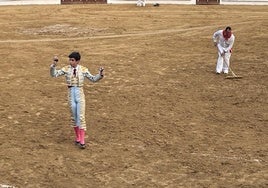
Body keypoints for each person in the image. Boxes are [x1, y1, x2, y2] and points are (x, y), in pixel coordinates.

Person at [50, 52, 104, 149]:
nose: (70, 62)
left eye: (72, 60)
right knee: (74, 117)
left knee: (81, 117)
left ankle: (82, 140)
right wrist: (54, 65)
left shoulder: (83, 69)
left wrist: (100, 75)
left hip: (80, 94)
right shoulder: (66, 69)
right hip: (71, 94)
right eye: (70, 60)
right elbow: (54, 74)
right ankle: (78, 137)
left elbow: (93, 79)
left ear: (77, 61)